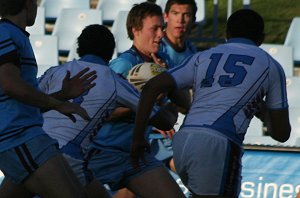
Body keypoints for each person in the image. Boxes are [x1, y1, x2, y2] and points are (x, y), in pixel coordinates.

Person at [130, 9, 291, 198]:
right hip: (218, 144)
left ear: (226, 35)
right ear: (262, 38)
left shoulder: (204, 56)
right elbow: (281, 134)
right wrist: (261, 110)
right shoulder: (271, 66)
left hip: (183, 142)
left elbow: (152, 86)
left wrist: (138, 138)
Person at [85, 3, 186, 198]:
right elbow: (97, 113)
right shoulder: (124, 65)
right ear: (135, 30)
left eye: (162, 28)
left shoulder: (162, 62)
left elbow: (185, 104)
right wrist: (145, 103)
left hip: (134, 156)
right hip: (101, 152)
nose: (160, 35)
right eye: (154, 29)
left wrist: (167, 76)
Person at [0, 0, 94, 197]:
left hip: (20, 136)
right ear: (27, 3)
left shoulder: (12, 35)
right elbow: (10, 86)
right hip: (18, 137)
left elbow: (19, 99)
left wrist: (62, 95)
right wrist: (58, 104)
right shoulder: (6, 34)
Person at [38, 24, 117, 198]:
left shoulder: (54, 72)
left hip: (36, 147)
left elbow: (28, 101)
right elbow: (158, 118)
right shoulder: (115, 80)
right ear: (111, 52)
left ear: (79, 48)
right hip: (67, 155)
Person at [160, 0, 197, 67]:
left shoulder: (192, 50)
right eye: (175, 13)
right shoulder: (156, 48)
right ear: (166, 16)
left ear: (193, 20)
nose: (180, 20)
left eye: (186, 15)